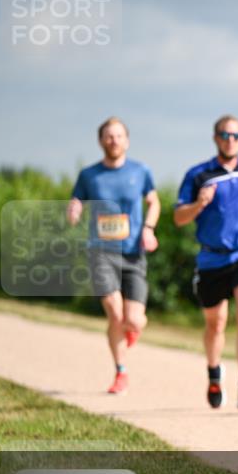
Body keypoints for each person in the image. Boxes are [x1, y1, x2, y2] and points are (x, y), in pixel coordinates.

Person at [174, 115, 238, 410]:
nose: (230, 140)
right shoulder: (199, 175)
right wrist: (199, 204)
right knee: (215, 323)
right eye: (224, 134)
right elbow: (179, 218)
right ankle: (214, 372)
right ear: (215, 138)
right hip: (211, 258)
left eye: (235, 135)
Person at [67, 116, 160, 395]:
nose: (113, 141)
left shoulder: (140, 171)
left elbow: (153, 202)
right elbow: (76, 199)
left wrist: (149, 228)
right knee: (114, 311)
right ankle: (121, 372)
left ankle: (131, 330)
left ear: (127, 141)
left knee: (134, 319)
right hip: (101, 250)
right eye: (108, 136)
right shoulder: (89, 175)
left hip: (133, 252)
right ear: (100, 141)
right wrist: (74, 210)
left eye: (118, 136)